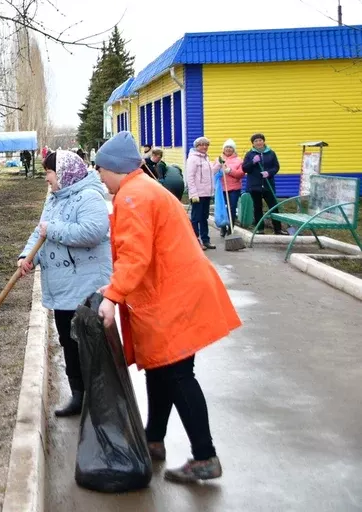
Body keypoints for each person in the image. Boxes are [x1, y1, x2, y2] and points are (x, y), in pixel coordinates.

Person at [94, 131, 241, 484]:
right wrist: (114, 288)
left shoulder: (133, 197)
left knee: (177, 375)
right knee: (161, 370)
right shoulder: (143, 189)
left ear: (115, 168)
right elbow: (141, 253)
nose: (99, 177)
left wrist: (113, 296)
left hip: (174, 297)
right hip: (174, 292)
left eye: (100, 169)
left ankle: (205, 457)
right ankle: (153, 439)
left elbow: (135, 254)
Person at [18, 151, 111, 417]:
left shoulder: (89, 196)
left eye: (49, 172)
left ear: (64, 172)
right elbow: (39, 231)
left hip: (86, 288)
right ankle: (78, 395)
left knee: (88, 346)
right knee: (67, 342)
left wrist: (52, 230)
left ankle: (99, 400)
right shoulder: (55, 198)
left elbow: (93, 232)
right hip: (62, 287)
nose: (47, 178)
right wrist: (27, 257)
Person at [242, 133, 283, 234]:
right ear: (253, 143)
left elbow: (276, 167)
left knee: (273, 207)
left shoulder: (271, 153)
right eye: (256, 141)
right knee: (257, 208)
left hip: (268, 185)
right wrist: (253, 162)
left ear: (264, 141)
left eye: (260, 140)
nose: (258, 142)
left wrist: (269, 173)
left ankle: (278, 229)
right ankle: (260, 229)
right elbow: (245, 168)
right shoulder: (250, 154)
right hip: (255, 186)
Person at [186, 137, 220, 250]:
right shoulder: (192, 159)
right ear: (196, 146)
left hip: (206, 193)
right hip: (197, 194)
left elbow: (211, 173)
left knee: (204, 217)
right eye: (201, 145)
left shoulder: (206, 158)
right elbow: (190, 177)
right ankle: (195, 241)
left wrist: (218, 165)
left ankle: (206, 240)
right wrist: (193, 193)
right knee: (196, 218)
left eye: (206, 145)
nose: (204, 147)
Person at [218, 139, 243, 237]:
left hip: (234, 188)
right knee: (222, 209)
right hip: (221, 188)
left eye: (230, 147)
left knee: (231, 208)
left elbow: (240, 174)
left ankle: (230, 228)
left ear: (234, 149)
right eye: (226, 147)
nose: (228, 149)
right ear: (223, 149)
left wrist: (229, 171)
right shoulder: (219, 159)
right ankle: (223, 227)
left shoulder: (239, 160)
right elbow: (213, 171)